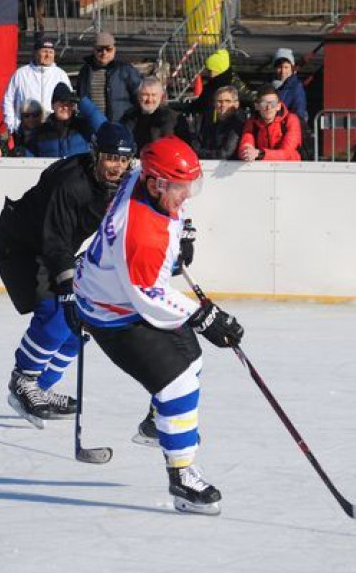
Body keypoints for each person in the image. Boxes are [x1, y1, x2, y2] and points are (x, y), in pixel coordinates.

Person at [73, 135, 244, 515]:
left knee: (193, 362)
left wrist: (182, 228)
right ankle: (182, 478)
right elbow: (147, 296)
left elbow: (167, 201)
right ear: (155, 184)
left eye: (189, 188)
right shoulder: (141, 235)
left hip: (121, 289)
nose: (186, 197)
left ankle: (155, 425)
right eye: (179, 189)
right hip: (111, 312)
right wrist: (204, 316)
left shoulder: (143, 178)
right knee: (178, 383)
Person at [0, 122, 137, 429]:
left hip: (57, 246)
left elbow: (150, 202)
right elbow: (54, 239)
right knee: (57, 311)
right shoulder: (70, 183)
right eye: (111, 158)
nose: (117, 166)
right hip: (22, 246)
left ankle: (41, 387)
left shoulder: (124, 182)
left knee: (80, 322)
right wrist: (68, 280)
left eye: (124, 160)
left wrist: (182, 234)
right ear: (95, 154)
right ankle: (23, 382)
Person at [2, 33, 72, 135]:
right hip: (26, 128)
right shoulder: (21, 74)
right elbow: (8, 100)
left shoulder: (61, 74)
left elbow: (68, 101)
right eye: (44, 51)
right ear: (36, 53)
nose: (48, 55)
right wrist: (12, 125)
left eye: (51, 52)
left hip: (52, 128)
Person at [75, 32, 142, 124]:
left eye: (108, 49)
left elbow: (139, 96)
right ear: (94, 50)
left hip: (120, 124)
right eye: (99, 50)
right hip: (92, 124)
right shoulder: (85, 71)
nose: (104, 53)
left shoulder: (126, 70)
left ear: (114, 50)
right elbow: (81, 98)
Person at [25, 84, 106, 159]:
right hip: (52, 173)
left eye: (68, 104)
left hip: (78, 173)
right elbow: (29, 158)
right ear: (53, 106)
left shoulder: (82, 126)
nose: (65, 108)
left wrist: (83, 101)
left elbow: (105, 128)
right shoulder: (41, 132)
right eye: (61, 104)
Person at [120, 76, 193, 151]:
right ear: (138, 96)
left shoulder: (174, 119)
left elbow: (186, 149)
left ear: (161, 97)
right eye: (145, 94)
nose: (149, 99)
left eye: (153, 95)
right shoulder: (129, 117)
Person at [238, 84, 304, 162]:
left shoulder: (291, 120)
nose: (269, 108)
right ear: (257, 106)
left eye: (273, 104)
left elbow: (287, 153)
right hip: (263, 167)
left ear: (278, 106)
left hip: (290, 168)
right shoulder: (252, 122)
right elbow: (246, 141)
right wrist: (247, 151)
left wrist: (260, 154)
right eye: (264, 103)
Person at [187, 48, 252, 117]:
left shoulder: (231, 86)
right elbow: (199, 104)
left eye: (211, 70)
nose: (209, 73)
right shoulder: (214, 84)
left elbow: (249, 101)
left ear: (219, 70)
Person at [193, 85, 247, 161]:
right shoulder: (208, 123)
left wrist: (200, 153)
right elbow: (196, 146)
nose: (223, 105)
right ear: (214, 104)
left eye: (227, 101)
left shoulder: (239, 124)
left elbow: (225, 153)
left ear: (236, 104)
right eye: (219, 101)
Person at [271, 48, 308, 126]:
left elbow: (299, 112)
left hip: (289, 128)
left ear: (292, 68)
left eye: (286, 67)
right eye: (279, 67)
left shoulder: (296, 87)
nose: (283, 71)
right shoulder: (269, 85)